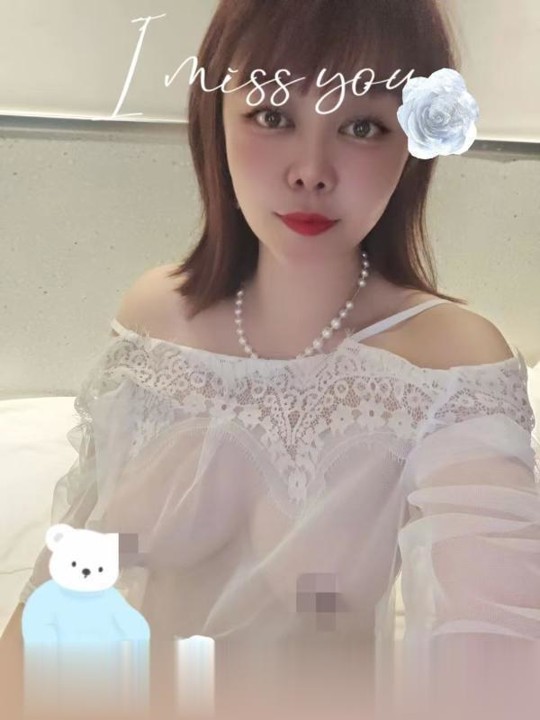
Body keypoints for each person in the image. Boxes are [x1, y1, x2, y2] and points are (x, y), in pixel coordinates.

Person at [2, 1, 539, 719]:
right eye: (272, 115)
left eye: (362, 126)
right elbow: (61, 583)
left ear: (411, 141)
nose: (311, 171)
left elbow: (497, 654)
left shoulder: (450, 366)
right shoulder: (154, 319)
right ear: (215, 118)